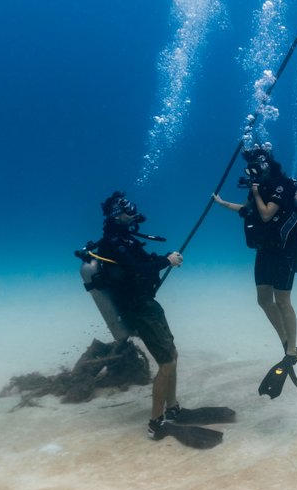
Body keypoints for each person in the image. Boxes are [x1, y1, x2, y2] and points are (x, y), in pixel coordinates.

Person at [83, 191, 223, 447]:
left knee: (172, 356)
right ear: (116, 215)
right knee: (167, 363)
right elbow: (136, 268)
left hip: (147, 305)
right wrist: (166, 261)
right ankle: (155, 424)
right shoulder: (114, 242)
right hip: (138, 309)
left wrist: (163, 258)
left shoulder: (123, 239)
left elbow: (142, 261)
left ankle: (173, 410)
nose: (133, 211)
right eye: (127, 209)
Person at [212, 146, 297, 399]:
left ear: (266, 165)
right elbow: (247, 211)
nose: (253, 173)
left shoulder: (280, 186)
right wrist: (221, 203)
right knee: (263, 300)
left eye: (256, 168)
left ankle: (291, 351)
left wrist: (254, 191)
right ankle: (286, 342)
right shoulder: (261, 188)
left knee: (282, 301)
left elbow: (265, 214)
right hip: (265, 251)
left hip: (284, 253)